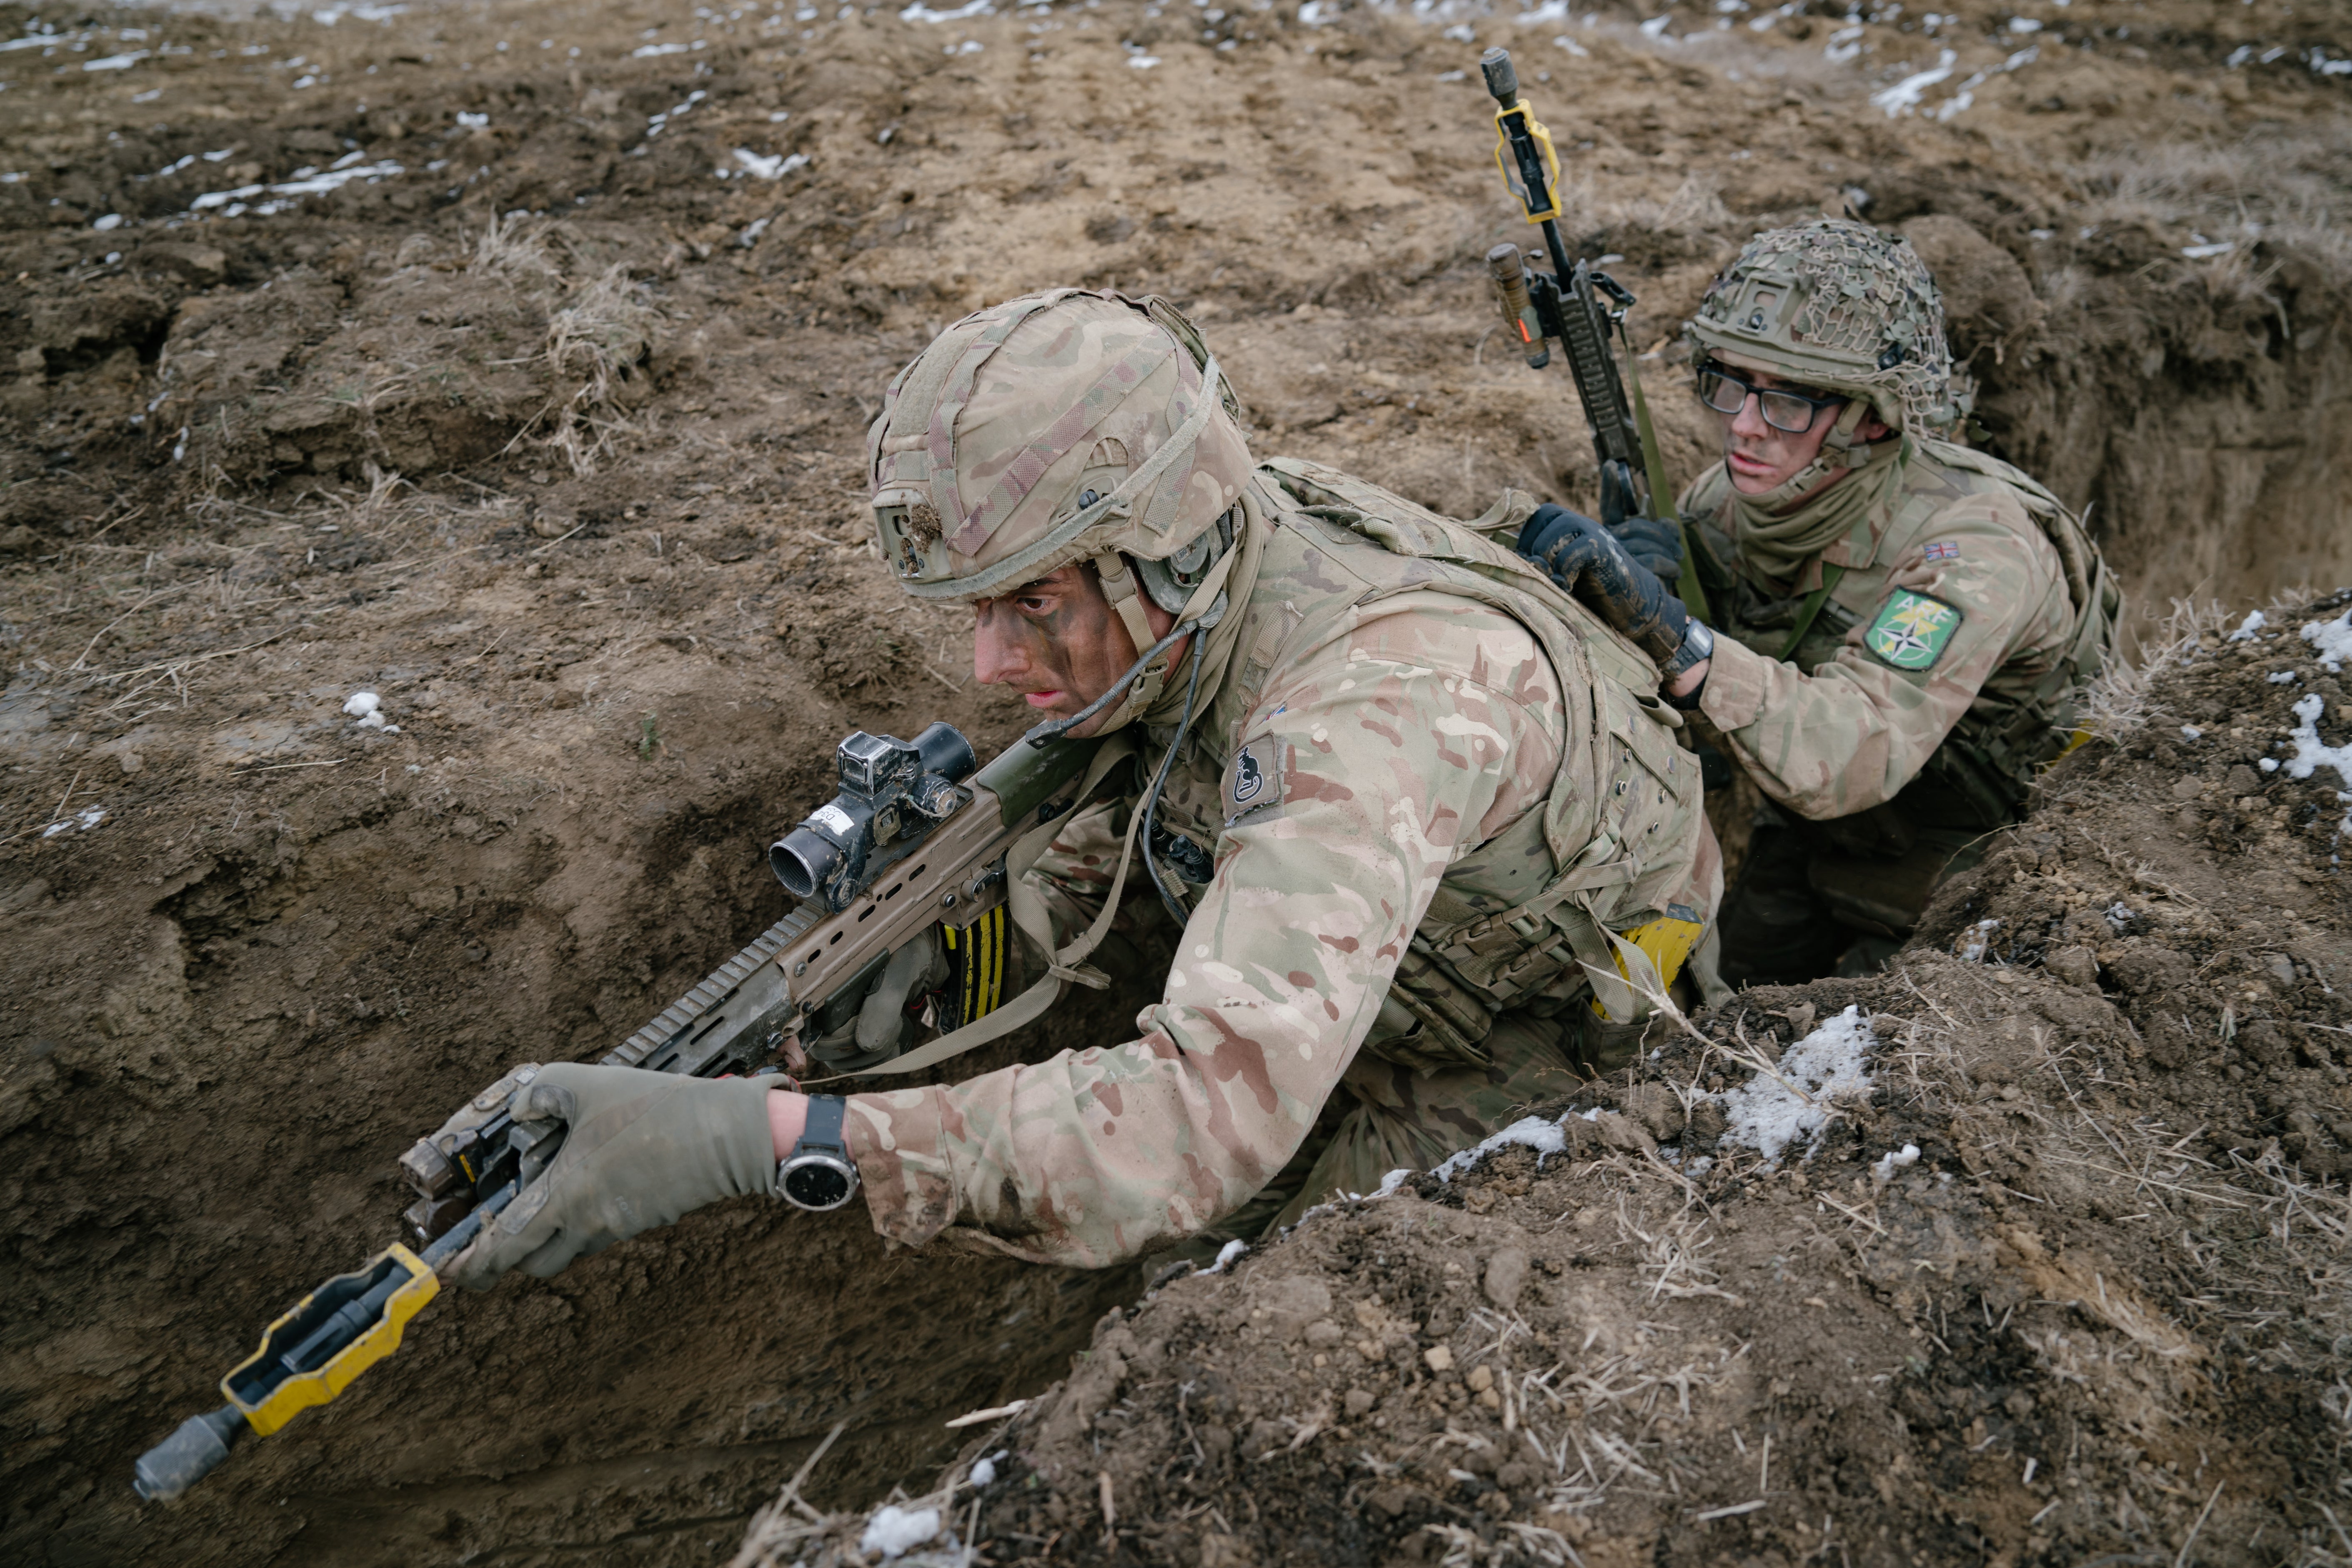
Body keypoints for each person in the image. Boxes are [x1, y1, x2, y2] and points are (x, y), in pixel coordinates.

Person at [433, 288, 1721, 1282]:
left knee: (1253, 1309)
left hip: (1559, 1038)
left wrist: (768, 1141)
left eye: (1035, 604)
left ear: (1161, 550)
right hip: (1396, 953)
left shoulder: (1369, 705)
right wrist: (944, 964)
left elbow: (1183, 1138)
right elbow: (1161, 784)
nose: (990, 666)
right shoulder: (1217, 557)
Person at [1517, 219, 2119, 987]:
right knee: (1707, 1014)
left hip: (1988, 866)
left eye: (1787, 404)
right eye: (1728, 384)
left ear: (1873, 417)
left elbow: (1853, 752)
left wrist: (1683, 641)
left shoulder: (1974, 547)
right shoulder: (1730, 506)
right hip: (1816, 840)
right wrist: (1642, 588)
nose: (1742, 425)